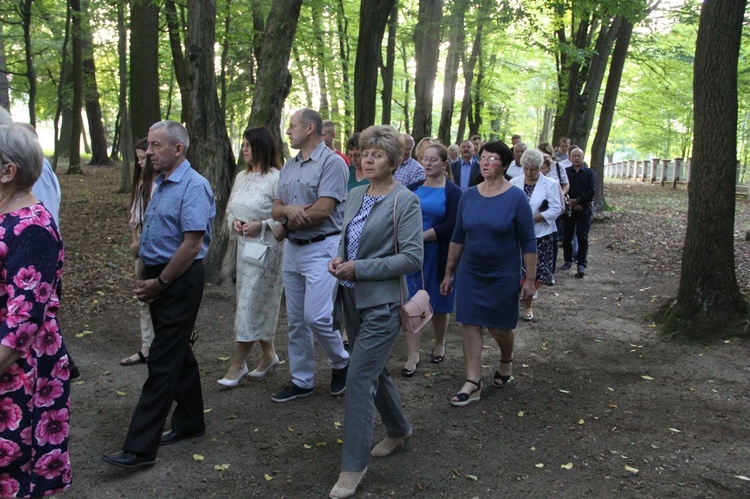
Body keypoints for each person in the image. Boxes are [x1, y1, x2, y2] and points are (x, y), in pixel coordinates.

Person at [103, 120, 215, 469]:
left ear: (177, 149)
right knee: (176, 351)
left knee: (162, 360)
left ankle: (140, 448)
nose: (147, 152)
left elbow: (192, 244)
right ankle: (191, 421)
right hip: (159, 276)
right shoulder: (161, 183)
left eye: (155, 145)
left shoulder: (193, 187)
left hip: (177, 279)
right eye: (148, 145)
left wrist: (161, 283)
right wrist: (147, 273)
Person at [327, 125, 422, 499]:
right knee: (375, 370)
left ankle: (352, 466)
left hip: (382, 304)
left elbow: (413, 258)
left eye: (377, 154)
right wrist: (339, 259)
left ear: (393, 161)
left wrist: (360, 268)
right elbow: (347, 238)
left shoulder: (404, 201)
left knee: (358, 377)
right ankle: (398, 428)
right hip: (351, 299)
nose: (368, 159)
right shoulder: (355, 195)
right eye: (365, 153)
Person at [0, 123, 71, 496]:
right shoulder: (5, 217)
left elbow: (20, 329)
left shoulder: (32, 229)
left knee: (14, 476)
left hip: (20, 376)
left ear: (8, 172)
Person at [439, 140, 536, 407]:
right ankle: (473, 382)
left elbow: (528, 241)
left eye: (492, 158)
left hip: (502, 273)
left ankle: (506, 359)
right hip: (470, 272)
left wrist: (529, 279)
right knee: (469, 323)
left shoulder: (516, 198)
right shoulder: (468, 195)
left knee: (499, 326)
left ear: (505, 165)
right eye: (483, 157)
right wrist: (449, 273)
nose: (485, 162)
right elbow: (458, 236)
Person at [270, 108, 350, 403]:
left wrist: (286, 221)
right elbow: (275, 207)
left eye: (292, 126)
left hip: (322, 248)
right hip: (293, 250)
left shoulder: (332, 163)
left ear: (310, 128)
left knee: (316, 316)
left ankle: (342, 361)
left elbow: (323, 210)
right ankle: (301, 381)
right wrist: (286, 214)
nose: (288, 132)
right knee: (295, 321)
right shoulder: (289, 167)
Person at [217, 126, 284, 387]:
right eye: (243, 145)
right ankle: (269, 354)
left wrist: (263, 225)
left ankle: (238, 362)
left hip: (268, 250)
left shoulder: (277, 178)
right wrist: (234, 222)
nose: (244, 149)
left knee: (251, 302)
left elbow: (284, 216)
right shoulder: (241, 177)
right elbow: (230, 209)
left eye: (248, 145)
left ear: (262, 147)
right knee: (252, 303)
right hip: (244, 250)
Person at [402, 143, 461, 377]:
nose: (427, 163)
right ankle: (413, 354)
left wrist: (421, 236)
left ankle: (439, 342)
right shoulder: (413, 187)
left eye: (433, 159)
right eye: (424, 159)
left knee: (438, 301)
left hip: (439, 253)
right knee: (411, 303)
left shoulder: (453, 192)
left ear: (444, 163)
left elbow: (452, 224)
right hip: (412, 254)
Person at [511, 149, 563, 320]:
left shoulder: (550, 184)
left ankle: (528, 304)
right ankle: (513, 300)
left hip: (540, 233)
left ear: (539, 167)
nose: (528, 172)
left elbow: (557, 208)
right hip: (516, 233)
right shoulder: (513, 182)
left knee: (534, 271)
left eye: (533, 169)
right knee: (515, 268)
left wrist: (533, 218)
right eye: (526, 168)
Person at [120, 138, 156, 366]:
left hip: (153, 246)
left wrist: (140, 244)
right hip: (141, 246)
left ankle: (161, 346)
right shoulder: (141, 184)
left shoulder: (160, 185)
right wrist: (135, 245)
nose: (141, 163)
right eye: (138, 159)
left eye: (144, 158)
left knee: (156, 296)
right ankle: (147, 346)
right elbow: (135, 220)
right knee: (143, 297)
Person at [561, 147, 596, 277]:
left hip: (584, 208)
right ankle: (567, 260)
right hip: (568, 208)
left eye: (579, 156)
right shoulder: (565, 172)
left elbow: (591, 190)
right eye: (574, 156)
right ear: (570, 158)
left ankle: (581, 264)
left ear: (583, 157)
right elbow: (561, 188)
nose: (576, 158)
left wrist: (579, 201)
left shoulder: (589, 173)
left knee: (582, 237)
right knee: (567, 236)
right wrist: (570, 202)